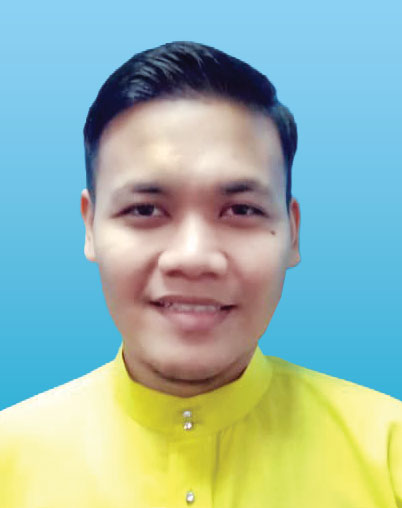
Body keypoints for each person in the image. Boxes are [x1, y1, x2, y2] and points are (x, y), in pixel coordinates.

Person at [0, 40, 401, 507]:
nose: (193, 258)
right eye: (145, 209)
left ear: (293, 232)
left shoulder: (389, 453)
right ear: (90, 226)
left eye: (241, 210)